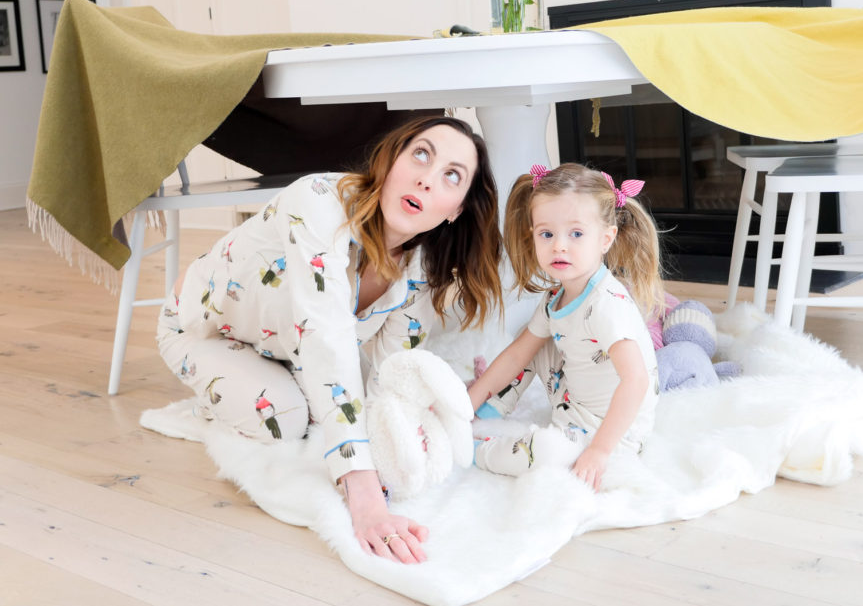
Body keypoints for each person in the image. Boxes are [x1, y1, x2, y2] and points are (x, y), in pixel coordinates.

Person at [157, 116, 501, 564]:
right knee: (283, 419)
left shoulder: (422, 271)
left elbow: (389, 373)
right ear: (391, 160)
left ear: (456, 208)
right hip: (200, 330)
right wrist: (361, 490)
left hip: (282, 348)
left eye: (451, 176)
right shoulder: (318, 200)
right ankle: (212, 400)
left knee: (350, 393)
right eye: (421, 154)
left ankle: (285, 379)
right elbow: (325, 334)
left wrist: (413, 432)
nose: (426, 178)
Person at [467, 162, 662, 490]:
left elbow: (637, 379)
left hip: (612, 432)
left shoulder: (606, 305)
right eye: (547, 234)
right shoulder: (556, 297)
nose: (559, 245)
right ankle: (484, 410)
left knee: (544, 453)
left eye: (575, 234)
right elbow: (517, 356)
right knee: (529, 343)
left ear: (605, 239)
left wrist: (600, 450)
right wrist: (466, 403)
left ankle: (480, 451)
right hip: (572, 398)